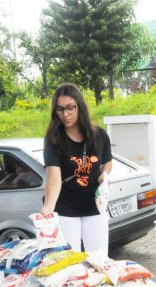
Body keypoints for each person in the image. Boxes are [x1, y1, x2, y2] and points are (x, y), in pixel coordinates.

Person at [41, 83, 113, 254]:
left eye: (70, 108)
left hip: (95, 206)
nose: (65, 114)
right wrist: (48, 208)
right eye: (60, 109)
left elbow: (108, 162)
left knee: (99, 259)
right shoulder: (53, 139)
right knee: (69, 262)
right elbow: (54, 178)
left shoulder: (100, 135)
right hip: (65, 208)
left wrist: (104, 174)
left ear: (79, 106)